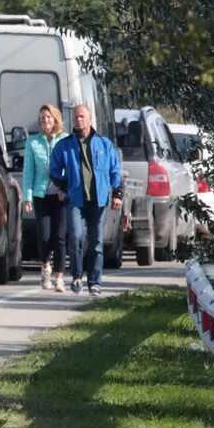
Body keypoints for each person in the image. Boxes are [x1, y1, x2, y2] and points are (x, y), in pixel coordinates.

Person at [48, 104, 123, 295]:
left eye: (82, 116)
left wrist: (117, 194)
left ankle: (95, 281)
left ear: (90, 118)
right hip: (75, 200)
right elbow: (54, 169)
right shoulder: (65, 145)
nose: (78, 120)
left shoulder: (104, 144)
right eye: (75, 117)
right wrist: (63, 186)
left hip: (98, 201)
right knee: (75, 237)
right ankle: (76, 276)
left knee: (96, 242)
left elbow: (115, 171)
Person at [23, 104, 69, 292]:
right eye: (42, 117)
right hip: (41, 195)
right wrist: (27, 196)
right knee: (44, 236)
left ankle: (59, 277)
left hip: (60, 196)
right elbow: (28, 171)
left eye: (48, 117)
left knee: (59, 237)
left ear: (55, 119)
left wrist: (65, 188)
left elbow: (70, 168)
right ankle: (45, 266)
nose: (45, 120)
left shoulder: (66, 140)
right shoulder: (33, 142)